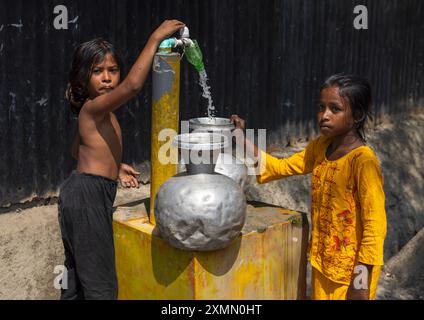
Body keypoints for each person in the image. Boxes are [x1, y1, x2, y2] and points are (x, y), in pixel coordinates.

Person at [58, 19, 185, 300]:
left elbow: (75, 151)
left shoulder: (98, 114)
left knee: (77, 279)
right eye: (97, 71)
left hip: (81, 192)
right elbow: (132, 87)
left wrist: (114, 167)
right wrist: (155, 39)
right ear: (83, 77)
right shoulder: (93, 109)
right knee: (102, 286)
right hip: (87, 196)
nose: (107, 78)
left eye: (113, 70)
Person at [231, 74, 387, 300]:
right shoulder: (320, 147)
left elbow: (375, 228)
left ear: (357, 115)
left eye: (335, 109)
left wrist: (360, 283)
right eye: (321, 107)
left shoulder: (363, 162)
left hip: (351, 278)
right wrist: (240, 138)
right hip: (322, 265)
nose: (324, 115)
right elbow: (277, 167)